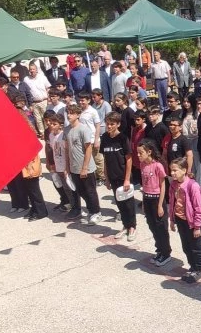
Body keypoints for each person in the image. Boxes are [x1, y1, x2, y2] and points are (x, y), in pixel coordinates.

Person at [168, 158, 201, 283]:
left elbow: (198, 208)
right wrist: (172, 220)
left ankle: (199, 269)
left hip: (193, 223)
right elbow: (172, 203)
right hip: (181, 220)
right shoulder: (173, 185)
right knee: (186, 246)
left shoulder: (192, 186)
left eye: (175, 170)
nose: (172, 173)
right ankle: (192, 266)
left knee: (197, 247)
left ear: (184, 170)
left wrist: (197, 226)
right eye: (171, 170)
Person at [64, 104, 102, 224]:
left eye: (71, 113)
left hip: (86, 168)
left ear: (78, 115)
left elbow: (88, 149)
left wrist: (85, 168)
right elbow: (67, 150)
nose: (69, 115)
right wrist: (67, 167)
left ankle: (96, 212)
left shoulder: (83, 129)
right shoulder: (66, 130)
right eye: (67, 112)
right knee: (80, 191)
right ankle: (90, 210)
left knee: (90, 191)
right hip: (74, 167)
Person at [101, 112, 136, 240]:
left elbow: (129, 159)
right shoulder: (104, 137)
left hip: (123, 176)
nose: (109, 126)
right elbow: (105, 158)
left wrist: (127, 179)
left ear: (118, 124)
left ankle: (132, 227)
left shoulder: (122, 138)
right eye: (108, 124)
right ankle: (125, 226)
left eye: (112, 124)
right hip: (112, 175)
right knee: (120, 203)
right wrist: (106, 178)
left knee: (128, 203)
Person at [137, 139, 172, 267]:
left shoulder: (158, 166)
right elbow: (144, 184)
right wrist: (144, 203)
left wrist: (160, 205)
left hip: (157, 199)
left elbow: (163, 185)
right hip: (147, 199)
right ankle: (159, 250)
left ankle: (166, 253)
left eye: (141, 153)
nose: (139, 155)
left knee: (161, 228)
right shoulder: (142, 165)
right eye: (138, 153)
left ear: (149, 152)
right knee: (152, 226)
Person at [23, 64, 51, 137]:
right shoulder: (26, 79)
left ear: (36, 70)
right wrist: (29, 104)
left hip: (43, 101)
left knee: (45, 118)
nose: (32, 71)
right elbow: (26, 92)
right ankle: (42, 133)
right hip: (34, 103)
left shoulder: (42, 77)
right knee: (37, 119)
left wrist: (49, 99)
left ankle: (48, 132)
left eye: (33, 69)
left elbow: (48, 88)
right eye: (30, 69)